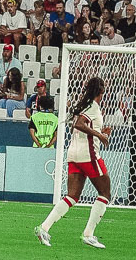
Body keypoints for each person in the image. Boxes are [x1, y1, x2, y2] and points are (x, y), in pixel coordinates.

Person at [36, 75, 115, 249]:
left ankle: (44, 228)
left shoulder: (82, 105)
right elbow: (79, 124)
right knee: (105, 193)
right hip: (88, 155)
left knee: (72, 196)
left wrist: (101, 131)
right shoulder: (92, 106)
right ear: (101, 91)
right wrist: (100, 135)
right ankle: (88, 234)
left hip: (73, 154)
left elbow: (81, 125)